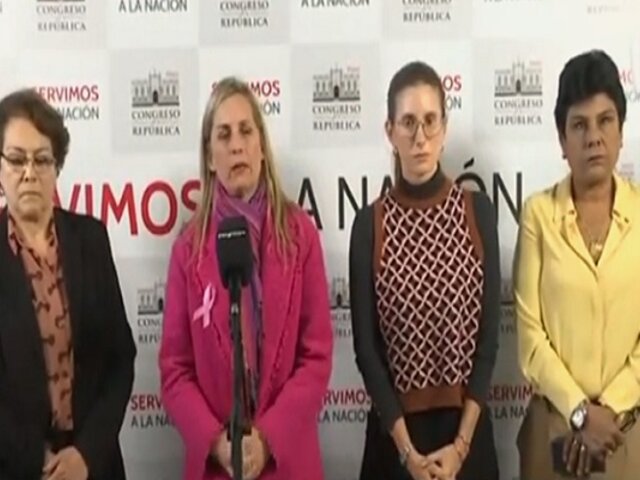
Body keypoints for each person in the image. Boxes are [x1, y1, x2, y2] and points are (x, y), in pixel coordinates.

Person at [158, 77, 333, 480]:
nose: (236, 145)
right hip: (218, 467)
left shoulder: (300, 234)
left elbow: (316, 355)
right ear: (209, 156)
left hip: (288, 461)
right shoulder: (188, 250)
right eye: (224, 135)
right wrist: (215, 442)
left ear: (261, 146)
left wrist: (268, 437)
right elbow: (175, 369)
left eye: (245, 131)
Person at [348, 61, 501, 480]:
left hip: (467, 442)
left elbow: (488, 341)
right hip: (394, 447)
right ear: (390, 131)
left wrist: (461, 448)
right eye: (408, 123)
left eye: (430, 121)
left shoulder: (477, 212)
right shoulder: (370, 225)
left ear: (445, 128)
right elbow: (367, 351)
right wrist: (408, 455)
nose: (420, 138)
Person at [514, 49, 640, 480]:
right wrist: (581, 413)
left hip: (626, 432)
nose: (594, 138)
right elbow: (530, 340)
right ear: (562, 140)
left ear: (621, 131)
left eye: (605, 121)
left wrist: (608, 413)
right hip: (554, 430)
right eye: (580, 125)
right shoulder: (537, 216)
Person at [0, 88, 136, 480]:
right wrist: (37, 461)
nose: (29, 172)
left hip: (95, 467)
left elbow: (120, 359)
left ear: (57, 167)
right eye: (16, 159)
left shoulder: (91, 240)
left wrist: (86, 454)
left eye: (42, 159)